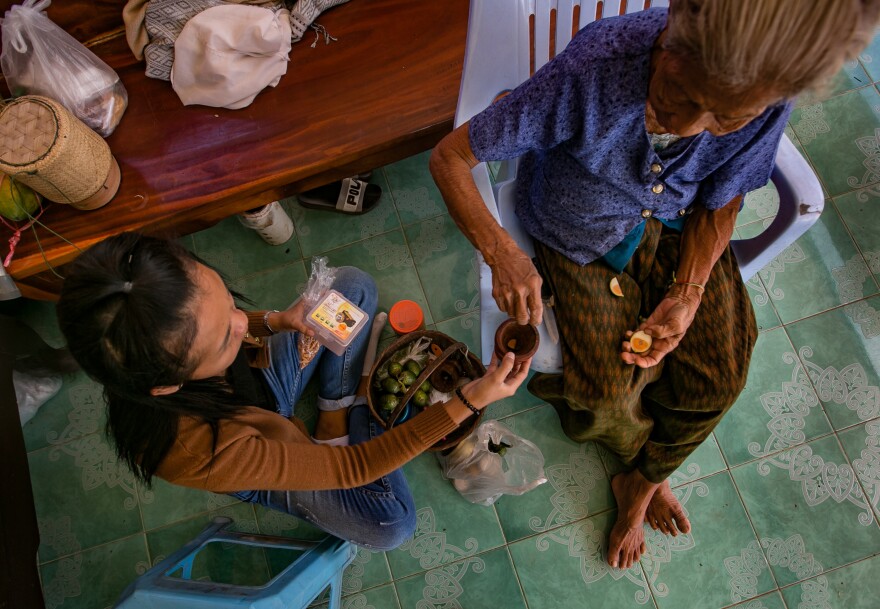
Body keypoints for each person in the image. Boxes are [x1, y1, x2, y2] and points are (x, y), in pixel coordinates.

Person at [430, 0, 880, 569]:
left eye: (726, 118)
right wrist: (504, 253)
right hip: (578, 229)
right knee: (604, 396)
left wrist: (688, 293)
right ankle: (646, 462)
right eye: (683, 94)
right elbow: (450, 156)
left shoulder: (769, 92)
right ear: (673, 33)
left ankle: (639, 483)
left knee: (718, 377)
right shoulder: (594, 68)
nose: (692, 126)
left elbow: (726, 193)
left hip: (679, 227)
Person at [56, 233, 530, 550]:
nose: (243, 325)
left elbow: (240, 326)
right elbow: (356, 467)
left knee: (352, 290)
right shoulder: (205, 452)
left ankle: (334, 407)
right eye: (225, 336)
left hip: (262, 396)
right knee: (391, 525)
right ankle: (358, 411)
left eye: (228, 303)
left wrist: (276, 322)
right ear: (168, 384)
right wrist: (470, 401)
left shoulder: (164, 337)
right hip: (264, 449)